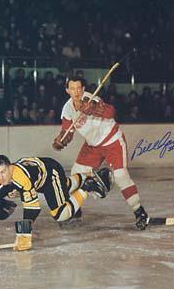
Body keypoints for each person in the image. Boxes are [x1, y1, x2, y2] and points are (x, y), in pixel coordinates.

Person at [52, 76, 149, 230]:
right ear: (67, 91)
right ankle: (76, 210)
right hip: (92, 146)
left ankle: (139, 212)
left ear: (83, 89)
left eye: (79, 88)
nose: (76, 92)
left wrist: (94, 109)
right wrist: (62, 140)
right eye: (72, 89)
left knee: (120, 176)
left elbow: (111, 112)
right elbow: (67, 130)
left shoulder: (91, 98)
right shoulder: (67, 109)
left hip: (112, 141)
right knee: (77, 173)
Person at [0, 155, 112, 251]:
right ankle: (89, 175)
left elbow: (32, 208)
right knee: (65, 185)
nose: (0, 177)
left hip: (50, 173)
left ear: (10, 167)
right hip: (40, 175)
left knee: (60, 214)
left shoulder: (21, 177)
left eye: (3, 172)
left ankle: (88, 187)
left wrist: (24, 234)